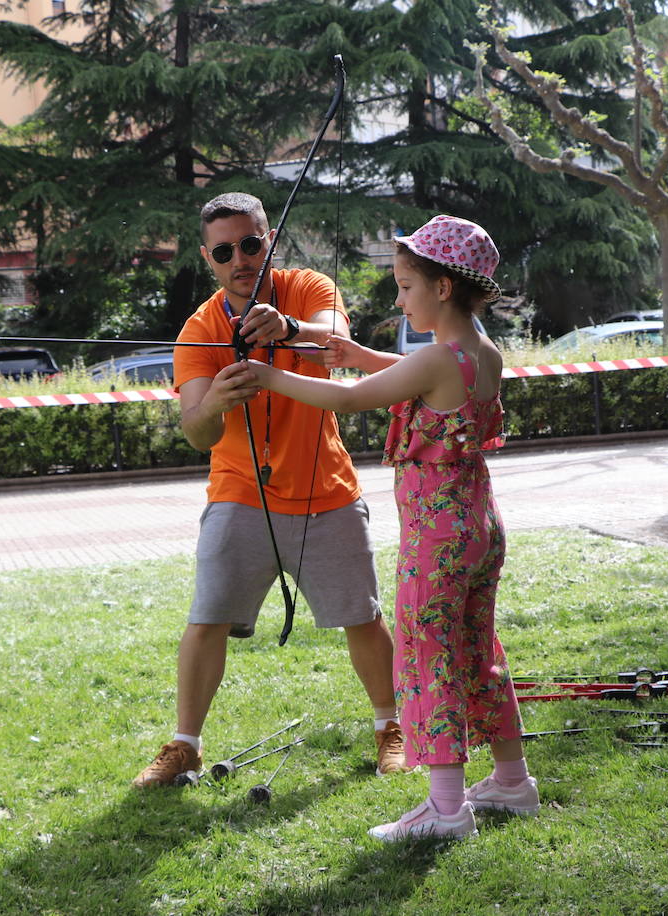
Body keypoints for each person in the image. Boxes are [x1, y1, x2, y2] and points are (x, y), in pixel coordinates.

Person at [226, 215, 537, 842]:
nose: (398, 298)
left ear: (442, 288)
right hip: (479, 527)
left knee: (428, 654)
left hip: (438, 538)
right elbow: (416, 370)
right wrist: (363, 356)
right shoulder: (481, 353)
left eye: (405, 285)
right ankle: (511, 781)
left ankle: (447, 810)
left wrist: (266, 376)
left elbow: (348, 400)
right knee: (478, 650)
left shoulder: (434, 361)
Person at [132, 192, 408, 788]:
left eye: (252, 244)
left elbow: (333, 337)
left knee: (361, 616)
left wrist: (288, 328)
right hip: (238, 493)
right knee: (206, 618)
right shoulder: (199, 329)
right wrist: (217, 402)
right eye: (225, 250)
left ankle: (392, 727)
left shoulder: (308, 287)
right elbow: (195, 433)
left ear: (269, 241)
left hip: (325, 488)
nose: (241, 259)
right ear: (209, 259)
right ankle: (185, 746)